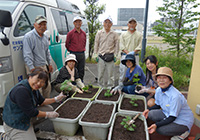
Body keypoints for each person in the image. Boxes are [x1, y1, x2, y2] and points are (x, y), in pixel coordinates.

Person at [2, 68, 66, 140]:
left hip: (25, 117)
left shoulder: (33, 88)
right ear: (30, 77)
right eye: (37, 80)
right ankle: (7, 137)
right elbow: (32, 112)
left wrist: (57, 98)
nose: (39, 84)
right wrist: (48, 114)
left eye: (42, 82)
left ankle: (30, 128)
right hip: (15, 123)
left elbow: (42, 102)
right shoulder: (21, 91)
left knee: (48, 108)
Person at [143, 67, 194, 140]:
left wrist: (156, 125)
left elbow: (172, 117)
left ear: (170, 81)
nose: (161, 80)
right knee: (150, 114)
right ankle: (167, 124)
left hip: (182, 121)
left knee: (160, 130)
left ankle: (184, 132)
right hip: (167, 113)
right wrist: (148, 110)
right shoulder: (158, 90)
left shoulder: (175, 96)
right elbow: (158, 105)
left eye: (164, 78)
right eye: (159, 78)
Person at [23, 15, 53, 98]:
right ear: (35, 25)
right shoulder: (28, 36)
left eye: (44, 24)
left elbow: (47, 52)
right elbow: (27, 54)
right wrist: (32, 69)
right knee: (37, 89)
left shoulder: (45, 37)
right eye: (40, 24)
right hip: (34, 67)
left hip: (43, 66)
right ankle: (38, 108)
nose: (42, 26)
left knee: (47, 86)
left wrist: (49, 64)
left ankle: (46, 104)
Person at [93, 16, 119, 88]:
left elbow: (117, 45)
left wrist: (116, 55)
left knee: (110, 74)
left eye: (109, 22)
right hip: (101, 55)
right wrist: (95, 54)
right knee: (100, 73)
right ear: (103, 23)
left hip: (110, 55)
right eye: (106, 22)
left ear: (111, 24)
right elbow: (96, 44)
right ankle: (100, 86)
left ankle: (110, 86)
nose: (107, 24)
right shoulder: (99, 33)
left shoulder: (114, 34)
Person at [118, 17, 142, 85]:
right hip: (125, 56)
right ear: (127, 24)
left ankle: (134, 86)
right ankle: (121, 86)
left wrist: (133, 52)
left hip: (135, 55)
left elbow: (140, 45)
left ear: (136, 24)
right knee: (123, 71)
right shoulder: (123, 34)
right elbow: (121, 45)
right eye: (130, 23)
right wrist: (128, 53)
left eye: (133, 23)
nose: (132, 24)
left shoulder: (139, 35)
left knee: (136, 71)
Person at [65, 16, 86, 81]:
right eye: (76, 22)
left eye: (79, 22)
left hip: (81, 54)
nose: (78, 23)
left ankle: (81, 83)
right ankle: (73, 83)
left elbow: (84, 43)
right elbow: (67, 44)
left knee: (81, 70)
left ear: (81, 23)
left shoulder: (84, 33)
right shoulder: (70, 33)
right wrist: (71, 51)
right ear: (74, 23)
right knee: (73, 69)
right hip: (73, 54)